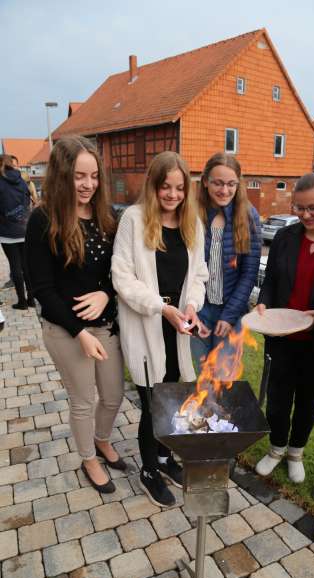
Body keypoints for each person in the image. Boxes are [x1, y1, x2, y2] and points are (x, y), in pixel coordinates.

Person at [25, 136, 125, 494]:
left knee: (113, 396)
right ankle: (88, 457)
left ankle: (101, 439)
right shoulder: (42, 219)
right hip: (66, 330)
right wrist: (78, 331)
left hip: (105, 325)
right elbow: (42, 290)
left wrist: (106, 292)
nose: (88, 184)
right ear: (62, 175)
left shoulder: (106, 216)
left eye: (94, 176)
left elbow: (118, 273)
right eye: (79, 176)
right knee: (83, 399)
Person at [112, 151, 208, 508]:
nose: (172, 195)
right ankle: (149, 469)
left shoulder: (192, 223)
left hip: (177, 327)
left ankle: (166, 459)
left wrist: (191, 307)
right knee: (153, 404)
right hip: (148, 324)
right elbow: (122, 277)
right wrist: (161, 307)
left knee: (176, 401)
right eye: (165, 187)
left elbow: (199, 274)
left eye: (179, 188)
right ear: (153, 186)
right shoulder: (133, 220)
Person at [255, 172, 314, 482]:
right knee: (278, 400)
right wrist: (263, 302)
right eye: (298, 208)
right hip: (281, 337)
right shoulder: (285, 238)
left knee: (307, 400)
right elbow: (272, 281)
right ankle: (276, 448)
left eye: (312, 208)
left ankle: (295, 453)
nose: (305, 215)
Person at [191, 153, 261, 366]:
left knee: (223, 378)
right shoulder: (192, 214)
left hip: (231, 311)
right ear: (205, 182)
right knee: (199, 376)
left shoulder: (249, 216)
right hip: (198, 310)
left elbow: (249, 273)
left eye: (231, 184)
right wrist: (192, 309)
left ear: (238, 184)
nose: (224, 190)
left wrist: (229, 315)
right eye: (218, 183)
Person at [0, 154, 33, 308]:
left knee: (15, 266)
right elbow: (28, 201)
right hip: (24, 228)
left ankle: (22, 302)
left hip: (7, 231)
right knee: (26, 265)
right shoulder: (21, 180)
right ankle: (32, 300)